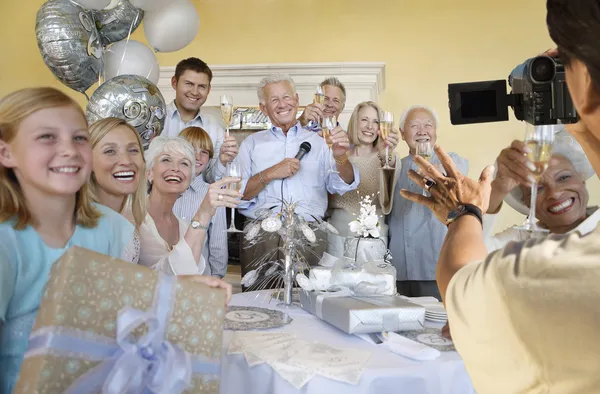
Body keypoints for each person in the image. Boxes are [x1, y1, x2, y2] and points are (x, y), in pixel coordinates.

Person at [398, 0, 600, 388]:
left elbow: (462, 281)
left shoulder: (548, 270)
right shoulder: (522, 248)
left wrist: (465, 213)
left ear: (583, 85)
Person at [0, 87, 136, 392]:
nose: (69, 150)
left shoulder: (112, 229)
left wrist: (185, 294)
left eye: (79, 138)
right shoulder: (6, 241)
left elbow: (121, 314)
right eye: (47, 137)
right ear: (6, 152)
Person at [237, 74, 359, 277]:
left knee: (310, 306)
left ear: (297, 100)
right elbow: (237, 195)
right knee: (256, 307)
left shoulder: (321, 141)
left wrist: (341, 157)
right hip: (260, 238)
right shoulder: (251, 144)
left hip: (310, 237)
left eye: (286, 97)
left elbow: (343, 184)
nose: (282, 104)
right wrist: (269, 174)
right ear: (263, 108)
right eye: (274, 100)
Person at [387, 105, 468, 300]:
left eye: (428, 125)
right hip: (399, 269)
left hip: (433, 268)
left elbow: (457, 176)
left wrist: (434, 172)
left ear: (435, 133)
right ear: (402, 133)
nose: (422, 131)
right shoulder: (394, 166)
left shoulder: (452, 161)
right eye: (414, 125)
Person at [484, 129, 598, 251]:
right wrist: (498, 190)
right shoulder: (523, 241)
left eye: (564, 177)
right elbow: (470, 257)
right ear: (527, 203)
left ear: (581, 179)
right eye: (538, 189)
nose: (555, 193)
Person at [141, 136, 240, 276]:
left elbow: (189, 276)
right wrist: (203, 214)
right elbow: (163, 277)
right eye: (166, 160)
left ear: (190, 178)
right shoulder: (132, 218)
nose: (175, 168)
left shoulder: (184, 227)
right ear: (149, 173)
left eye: (184, 163)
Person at [326, 101, 400, 258]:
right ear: (355, 122)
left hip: (374, 238)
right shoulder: (338, 155)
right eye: (364, 120)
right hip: (336, 236)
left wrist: (384, 154)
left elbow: (387, 201)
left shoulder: (388, 157)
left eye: (376, 122)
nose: (370, 126)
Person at [161, 57, 238, 183]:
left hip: (199, 200)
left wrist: (223, 161)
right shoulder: (156, 119)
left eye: (201, 86)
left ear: (209, 89)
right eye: (189, 84)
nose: (195, 92)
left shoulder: (215, 128)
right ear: (174, 83)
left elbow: (211, 179)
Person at [88, 117, 147, 263]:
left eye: (133, 150)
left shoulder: (130, 220)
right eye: (110, 151)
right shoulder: (81, 226)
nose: (126, 161)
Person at [174, 126, 228, 278]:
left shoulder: (213, 193)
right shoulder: (162, 189)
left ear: (210, 158)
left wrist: (217, 276)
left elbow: (218, 244)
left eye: (204, 152)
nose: (197, 157)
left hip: (200, 278)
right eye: (191, 149)